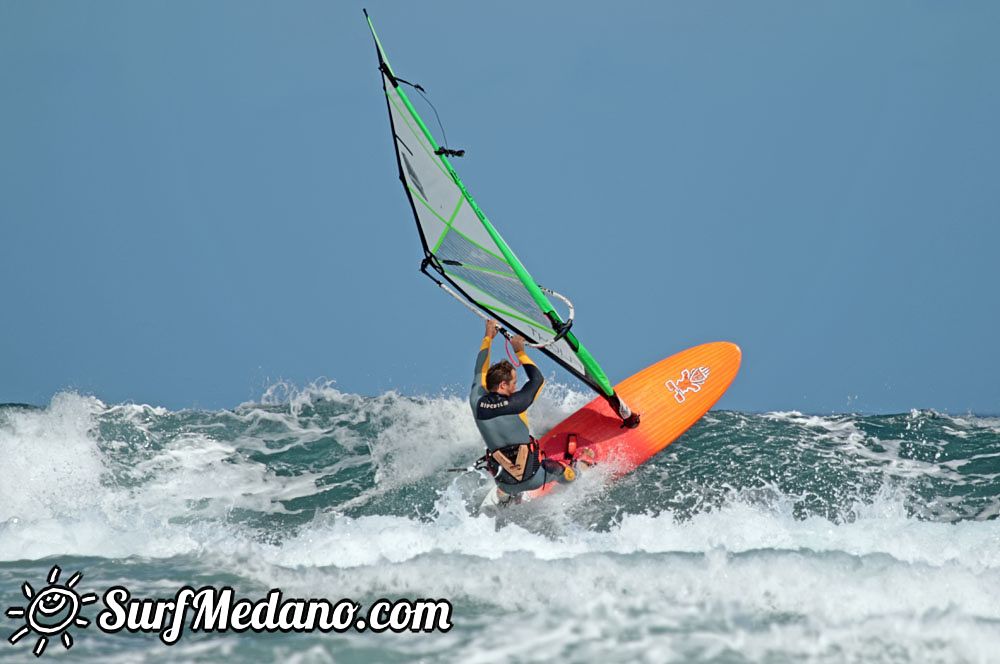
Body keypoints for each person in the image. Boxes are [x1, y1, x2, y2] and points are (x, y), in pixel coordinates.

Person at [471, 319, 573, 504]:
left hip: (504, 483)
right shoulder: (516, 403)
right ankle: (579, 474)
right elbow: (537, 380)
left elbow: (480, 371)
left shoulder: (476, 402)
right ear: (503, 385)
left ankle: (507, 497)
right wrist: (520, 351)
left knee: (506, 472)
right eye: (514, 383)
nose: (516, 386)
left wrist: (488, 337)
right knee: (559, 470)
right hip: (532, 478)